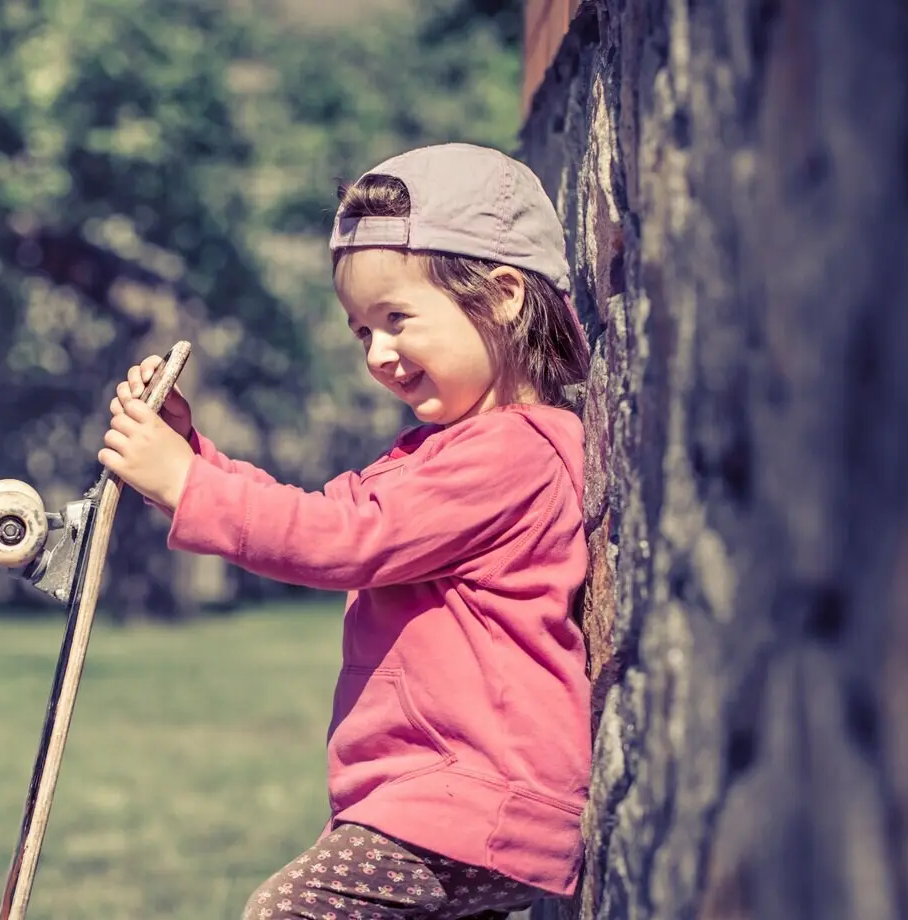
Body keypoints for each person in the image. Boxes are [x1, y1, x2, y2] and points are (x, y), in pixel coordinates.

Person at [100, 142, 593, 919]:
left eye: (397, 319)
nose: (380, 354)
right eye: (362, 332)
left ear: (500, 295)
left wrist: (186, 483)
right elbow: (320, 514)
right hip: (439, 798)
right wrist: (193, 459)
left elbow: (340, 538)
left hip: (466, 800)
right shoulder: (446, 453)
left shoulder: (510, 453)